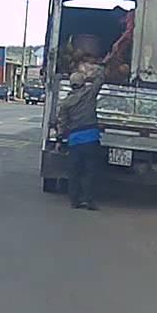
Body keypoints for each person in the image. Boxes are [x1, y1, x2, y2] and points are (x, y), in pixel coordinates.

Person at [56, 58, 108, 210]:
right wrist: (100, 66)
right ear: (83, 83)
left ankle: (75, 200)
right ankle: (89, 200)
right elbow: (101, 79)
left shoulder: (66, 103)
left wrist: (59, 139)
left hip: (75, 141)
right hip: (91, 139)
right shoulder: (89, 94)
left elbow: (62, 124)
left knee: (74, 172)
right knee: (90, 172)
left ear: (71, 85)